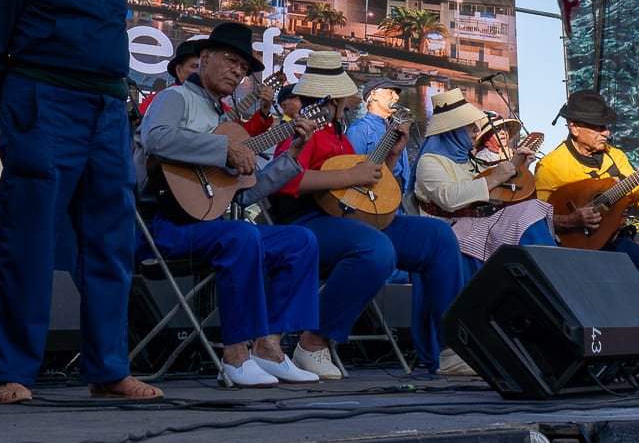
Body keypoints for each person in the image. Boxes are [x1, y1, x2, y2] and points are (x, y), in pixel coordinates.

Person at [0, 0, 161, 404]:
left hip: (104, 111)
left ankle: (108, 369)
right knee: (28, 237)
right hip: (44, 102)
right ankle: (9, 369)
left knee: (110, 243)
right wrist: (10, 109)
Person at [139, 22, 323, 386]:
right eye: (231, 61)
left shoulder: (227, 120)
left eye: (243, 66)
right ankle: (235, 355)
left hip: (213, 224)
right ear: (204, 58)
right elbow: (156, 138)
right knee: (242, 236)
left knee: (301, 241)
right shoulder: (175, 98)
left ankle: (269, 346)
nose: (238, 70)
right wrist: (225, 148)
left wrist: (295, 154)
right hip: (169, 226)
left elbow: (243, 193)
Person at [269, 54, 471, 377]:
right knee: (375, 248)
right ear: (331, 98)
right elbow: (286, 179)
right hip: (307, 221)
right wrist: (350, 177)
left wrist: (389, 157)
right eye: (343, 98)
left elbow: (365, 189)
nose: (348, 103)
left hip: (353, 218)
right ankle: (313, 341)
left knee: (438, 238)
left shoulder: (338, 134)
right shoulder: (304, 129)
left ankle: (449, 349)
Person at [535, 89, 639, 296]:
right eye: (598, 127)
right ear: (574, 128)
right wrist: (571, 220)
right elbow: (538, 219)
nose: (606, 133)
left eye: (606, 127)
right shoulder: (551, 166)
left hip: (614, 241)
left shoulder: (615, 156)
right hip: (573, 252)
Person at [413, 93, 555, 273]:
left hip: (477, 223)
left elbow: (495, 191)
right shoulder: (429, 161)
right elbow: (449, 199)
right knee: (527, 214)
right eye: (470, 126)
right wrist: (494, 177)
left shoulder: (468, 160)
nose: (476, 130)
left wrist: (519, 168)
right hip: (451, 230)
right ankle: (547, 275)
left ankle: (545, 274)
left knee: (532, 209)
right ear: (453, 129)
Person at [347, 77, 413, 193]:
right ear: (374, 95)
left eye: (397, 94)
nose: (396, 97)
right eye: (391, 92)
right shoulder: (359, 129)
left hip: (399, 199)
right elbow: (352, 173)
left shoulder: (395, 127)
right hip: (378, 198)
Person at [141, 44, 203, 118]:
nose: (201, 71)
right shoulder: (157, 101)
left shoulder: (214, 100)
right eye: (195, 66)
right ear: (179, 70)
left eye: (205, 66)